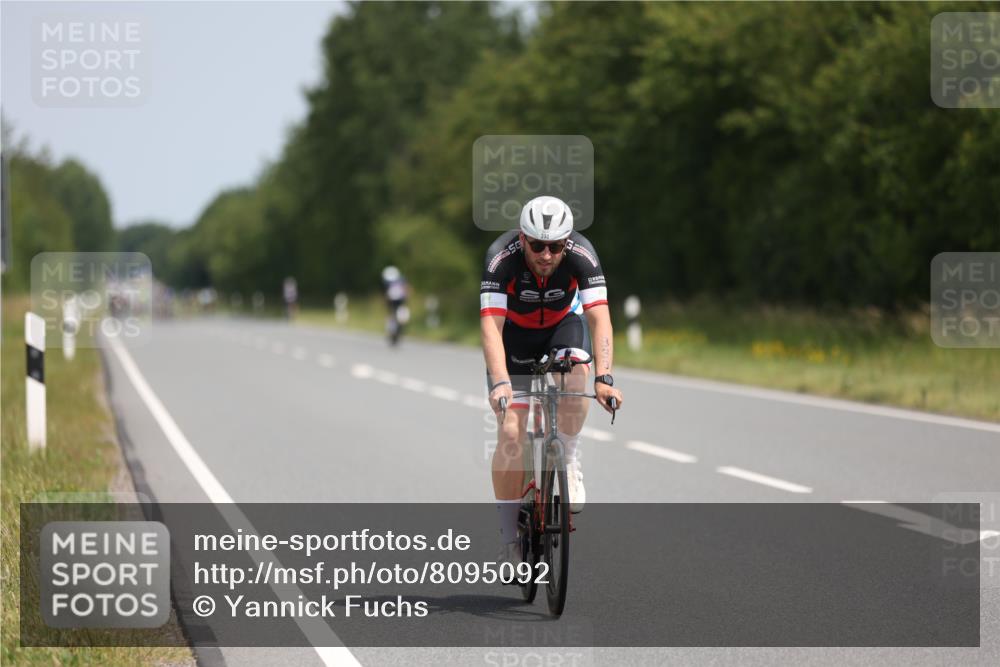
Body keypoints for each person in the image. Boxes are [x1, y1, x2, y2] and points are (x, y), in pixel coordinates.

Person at [480, 195, 624, 572]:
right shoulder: (501, 257)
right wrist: (499, 384)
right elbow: (491, 328)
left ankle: (570, 459)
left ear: (566, 242)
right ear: (523, 238)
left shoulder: (582, 253)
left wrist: (604, 378)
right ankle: (510, 541)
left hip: (563, 326)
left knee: (580, 371)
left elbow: (599, 318)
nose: (546, 255)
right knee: (511, 435)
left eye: (555, 246)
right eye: (537, 245)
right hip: (514, 337)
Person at [381, 266, 410, 346]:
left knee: (401, 317)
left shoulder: (401, 280)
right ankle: (392, 331)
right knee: (391, 315)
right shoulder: (390, 282)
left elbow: (407, 290)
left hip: (400, 302)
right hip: (393, 302)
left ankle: (398, 330)